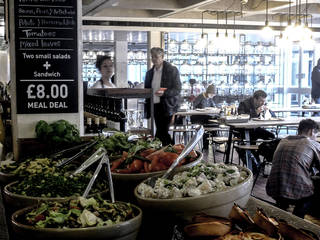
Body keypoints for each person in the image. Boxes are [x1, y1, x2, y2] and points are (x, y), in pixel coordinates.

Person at [266, 119, 320, 219]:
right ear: (312, 131)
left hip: (273, 188)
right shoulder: (311, 143)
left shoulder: (283, 140)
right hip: (297, 191)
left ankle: (282, 213)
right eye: (316, 136)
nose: (316, 138)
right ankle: (298, 216)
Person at [144, 47, 181, 146]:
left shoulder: (172, 70)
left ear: (162, 57)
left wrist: (164, 93)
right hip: (154, 106)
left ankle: (165, 149)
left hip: (167, 106)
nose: (154, 59)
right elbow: (146, 89)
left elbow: (177, 89)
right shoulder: (149, 73)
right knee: (161, 131)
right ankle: (170, 151)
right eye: (152, 57)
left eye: (156, 57)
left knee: (162, 131)